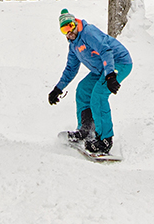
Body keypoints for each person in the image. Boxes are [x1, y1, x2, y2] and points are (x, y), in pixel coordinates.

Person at [47, 8, 131, 155]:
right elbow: (71, 69)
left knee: (98, 95)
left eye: (70, 26)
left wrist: (110, 75)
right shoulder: (73, 45)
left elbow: (106, 51)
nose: (69, 31)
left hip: (118, 63)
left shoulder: (88, 32)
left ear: (75, 23)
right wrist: (58, 89)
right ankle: (86, 130)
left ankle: (105, 140)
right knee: (83, 90)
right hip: (102, 69)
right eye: (64, 29)